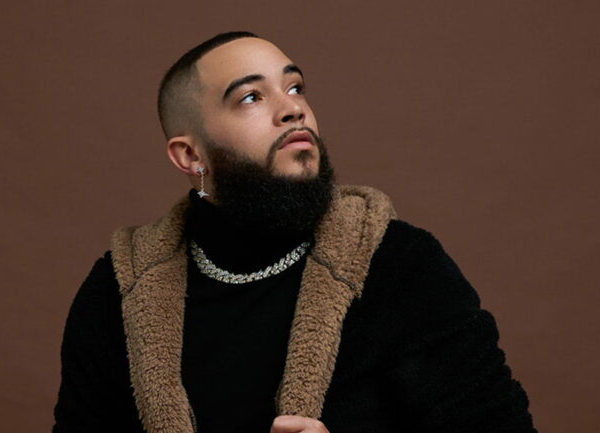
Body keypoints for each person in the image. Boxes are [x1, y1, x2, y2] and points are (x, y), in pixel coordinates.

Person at [51, 31, 538, 433]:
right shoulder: (119, 292)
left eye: (295, 87)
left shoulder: (401, 265)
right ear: (190, 156)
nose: (292, 109)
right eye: (250, 97)